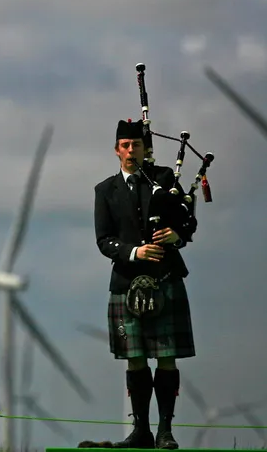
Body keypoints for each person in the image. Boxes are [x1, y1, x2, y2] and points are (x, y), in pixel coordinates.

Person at [94, 119, 197, 450]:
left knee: (166, 357)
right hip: (125, 282)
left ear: (143, 148)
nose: (130, 151)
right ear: (116, 150)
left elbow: (187, 220)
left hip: (164, 278)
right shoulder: (104, 191)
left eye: (135, 145)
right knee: (135, 358)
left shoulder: (164, 179)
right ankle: (141, 431)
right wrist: (135, 252)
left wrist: (177, 234)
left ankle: (165, 431)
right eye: (124, 145)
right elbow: (103, 240)